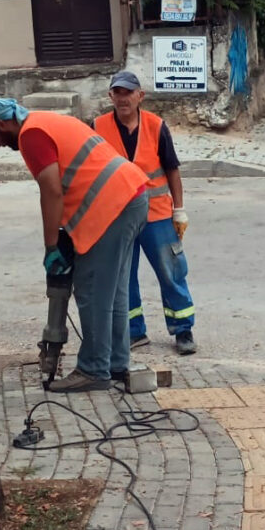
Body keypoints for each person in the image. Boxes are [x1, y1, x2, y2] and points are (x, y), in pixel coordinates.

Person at [0, 97, 149, 391]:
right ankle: (115, 363)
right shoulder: (47, 120)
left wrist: (51, 247)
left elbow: (51, 191)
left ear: (1, 123)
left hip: (113, 206)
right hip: (132, 197)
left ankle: (94, 370)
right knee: (113, 291)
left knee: (92, 289)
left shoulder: (30, 135)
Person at [93, 71, 197, 355]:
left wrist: (180, 209)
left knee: (171, 270)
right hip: (118, 216)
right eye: (118, 92)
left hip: (157, 215)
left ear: (140, 96)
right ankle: (134, 332)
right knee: (123, 276)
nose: (123, 98)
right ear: (110, 96)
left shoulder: (156, 126)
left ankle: (183, 329)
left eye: (128, 92)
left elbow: (172, 169)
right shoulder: (98, 127)